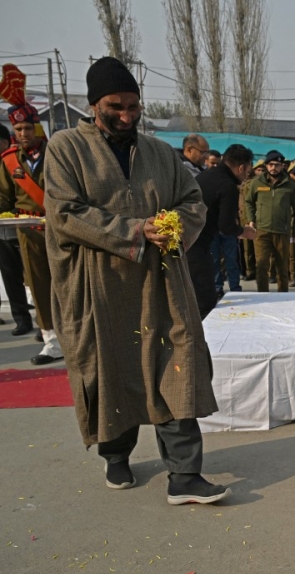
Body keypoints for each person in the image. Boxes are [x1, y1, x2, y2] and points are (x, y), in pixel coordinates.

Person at [43, 56, 228, 504]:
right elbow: (64, 212)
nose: (126, 116)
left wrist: (172, 227)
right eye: (115, 107)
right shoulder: (66, 149)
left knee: (176, 364)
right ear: (93, 106)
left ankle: (184, 474)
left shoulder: (160, 153)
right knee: (112, 369)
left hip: (161, 280)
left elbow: (192, 201)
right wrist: (132, 231)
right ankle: (116, 454)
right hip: (99, 286)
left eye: (133, 107)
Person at [0, 64, 63, 363]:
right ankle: (50, 340)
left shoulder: (59, 154)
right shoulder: (9, 160)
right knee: (38, 286)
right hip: (29, 233)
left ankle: (74, 335)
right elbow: (3, 198)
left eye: (27, 128)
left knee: (68, 283)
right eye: (18, 129)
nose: (23, 134)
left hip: (61, 229)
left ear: (38, 127)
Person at [191, 144, 254, 318]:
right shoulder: (227, 186)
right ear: (241, 167)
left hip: (186, 240)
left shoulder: (206, 175)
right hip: (196, 245)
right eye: (248, 170)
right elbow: (226, 226)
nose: (247, 174)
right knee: (205, 300)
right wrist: (244, 231)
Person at [244, 150, 295, 292]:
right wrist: (251, 220)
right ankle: (262, 296)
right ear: (266, 165)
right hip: (261, 231)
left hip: (282, 231)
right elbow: (248, 202)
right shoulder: (256, 183)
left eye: (277, 165)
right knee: (261, 266)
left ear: (282, 166)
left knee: (282, 268)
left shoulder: (290, 185)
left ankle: (283, 296)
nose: (273, 168)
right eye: (271, 164)